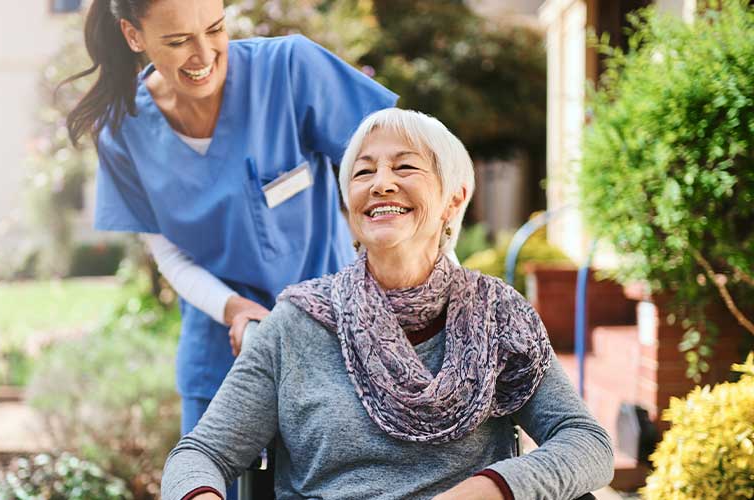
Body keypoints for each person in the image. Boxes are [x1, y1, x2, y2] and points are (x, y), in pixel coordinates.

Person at [161, 109, 615, 500]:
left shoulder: (498, 315)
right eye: (363, 172)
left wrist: (492, 487)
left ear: (453, 198)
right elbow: (201, 453)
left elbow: (588, 443)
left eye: (405, 168)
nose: (381, 184)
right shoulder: (297, 323)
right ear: (350, 205)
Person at [64, 0, 398, 461]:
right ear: (133, 35)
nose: (203, 54)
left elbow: (398, 183)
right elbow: (170, 254)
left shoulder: (289, 70)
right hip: (221, 359)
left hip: (336, 345)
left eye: (215, 29)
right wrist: (235, 310)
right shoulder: (123, 130)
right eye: (178, 41)